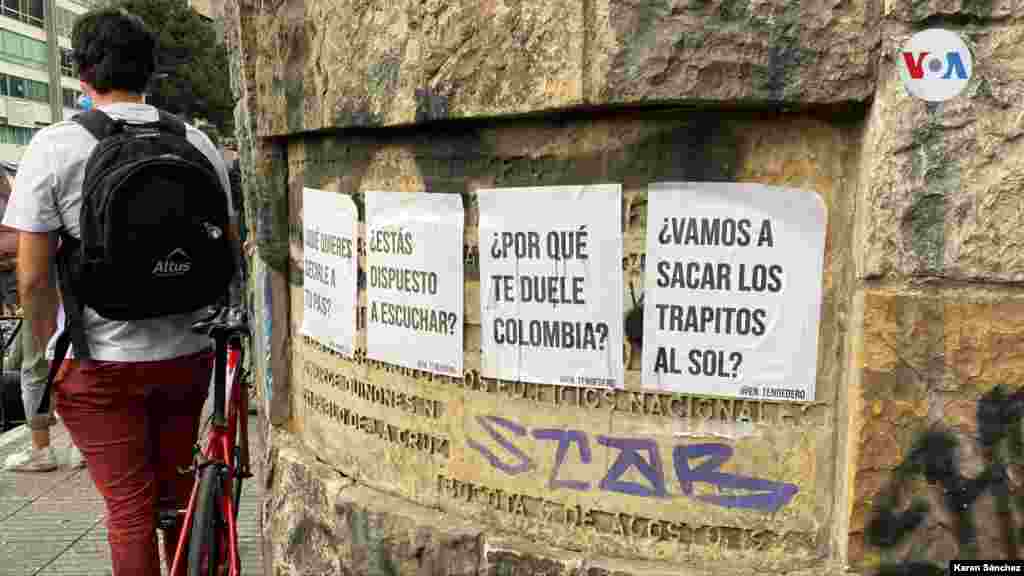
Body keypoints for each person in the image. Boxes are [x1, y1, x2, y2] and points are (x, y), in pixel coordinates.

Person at [2, 8, 237, 575]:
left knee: (129, 512)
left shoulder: (54, 147)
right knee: (179, 500)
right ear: (149, 70)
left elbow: (32, 277)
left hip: (97, 362)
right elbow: (225, 246)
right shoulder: (197, 141)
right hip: (186, 353)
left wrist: (45, 354)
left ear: (80, 70)